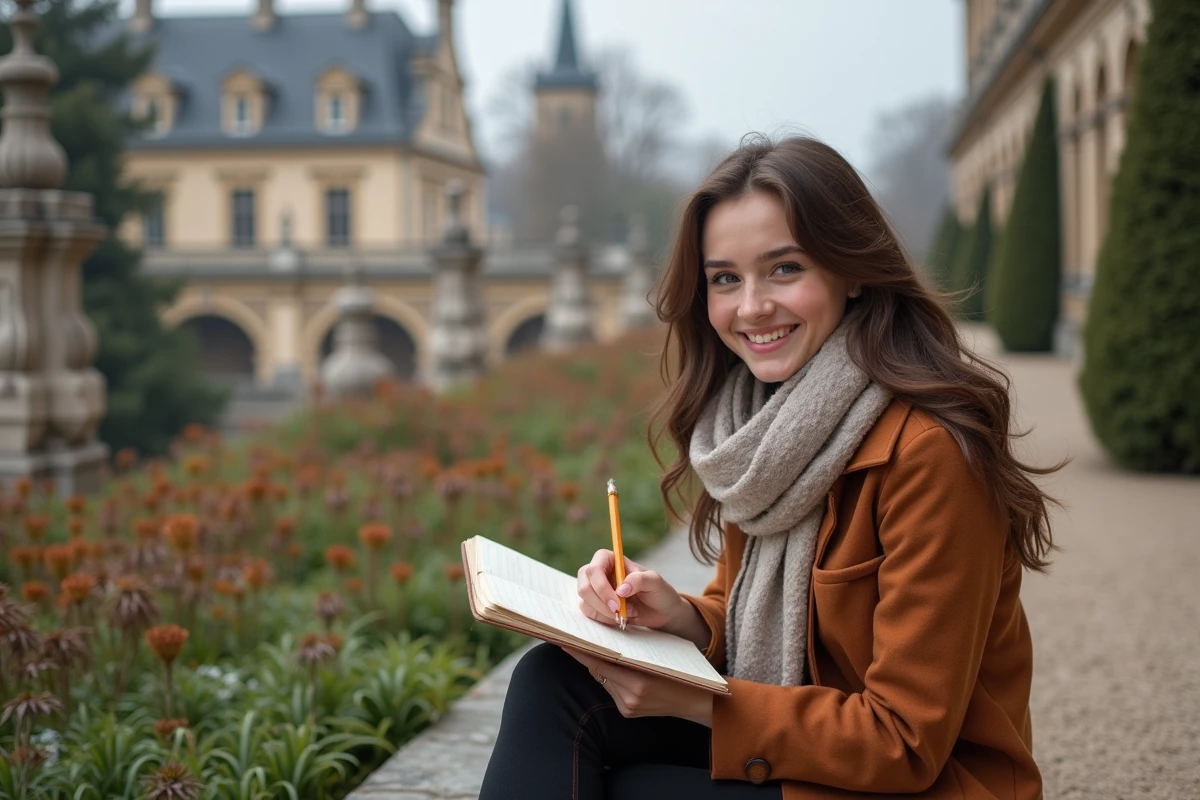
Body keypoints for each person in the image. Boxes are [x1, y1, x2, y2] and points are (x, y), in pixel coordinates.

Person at [479, 135, 1056, 800]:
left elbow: (904, 742)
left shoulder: (930, 454)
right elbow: (758, 606)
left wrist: (693, 702)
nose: (750, 307)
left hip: (921, 783)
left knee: (639, 789)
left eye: (784, 269)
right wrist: (681, 619)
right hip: (812, 736)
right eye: (725, 278)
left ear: (854, 270)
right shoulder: (768, 432)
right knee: (553, 684)